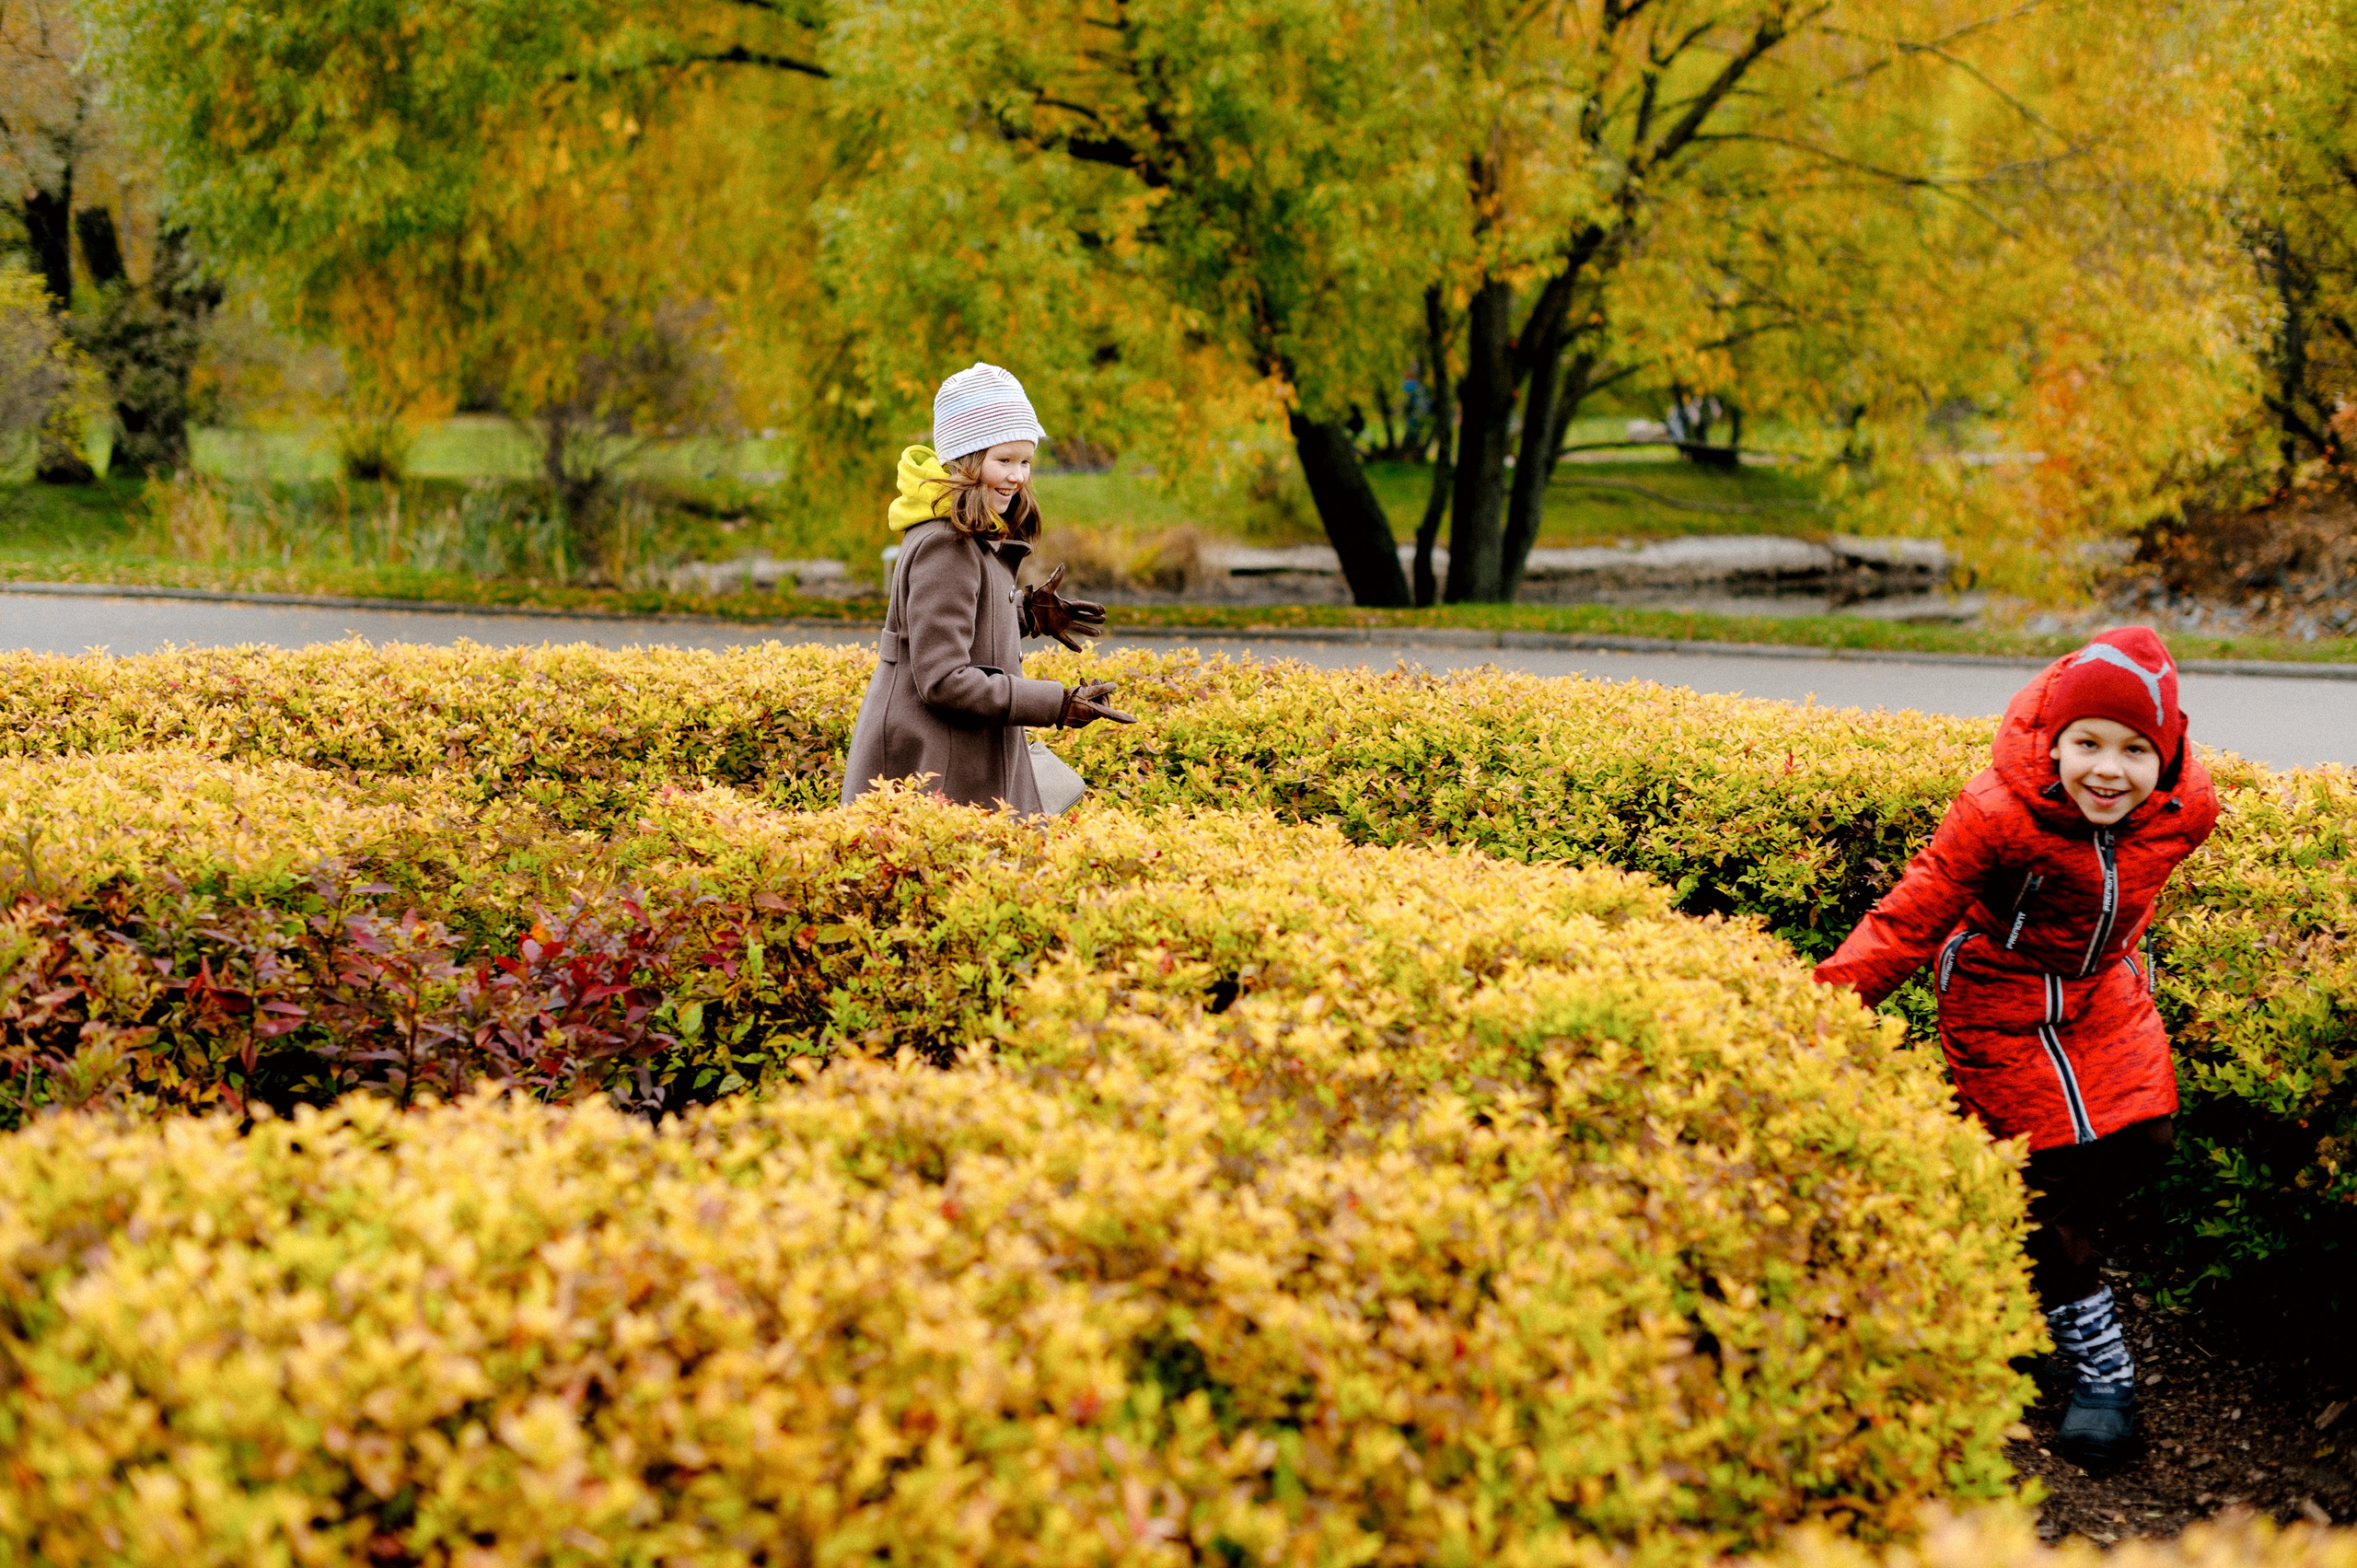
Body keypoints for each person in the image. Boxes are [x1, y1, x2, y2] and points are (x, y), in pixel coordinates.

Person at [1814, 627, 2219, 1467]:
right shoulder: (1998, 809)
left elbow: (2129, 883)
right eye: (2088, 744)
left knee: (2147, 1137)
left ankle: (2008, 1258)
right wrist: (1816, 1007)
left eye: (2134, 749)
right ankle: (2100, 1369)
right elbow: (1911, 911)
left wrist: (2126, 947)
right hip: (1997, 992)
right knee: (2050, 1186)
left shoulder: (2189, 808)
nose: (2108, 769)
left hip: (2100, 989)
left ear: (2169, 753)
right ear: (2056, 743)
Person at [842, 362, 1132, 814]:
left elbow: (959, 625)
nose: (1017, 476)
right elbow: (943, 679)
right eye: (1004, 460)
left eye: (1025, 461)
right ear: (967, 460)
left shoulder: (973, 531)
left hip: (957, 755)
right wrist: (1055, 702)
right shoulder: (946, 543)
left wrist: (1026, 616)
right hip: (936, 766)